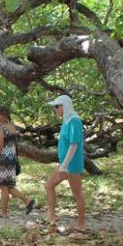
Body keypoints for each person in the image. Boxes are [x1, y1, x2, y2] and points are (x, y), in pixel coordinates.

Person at [44, 95, 86, 231]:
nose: (55, 109)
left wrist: (64, 166)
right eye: (54, 107)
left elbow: (74, 145)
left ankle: (81, 224)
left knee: (77, 192)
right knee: (49, 186)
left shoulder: (74, 121)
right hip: (64, 163)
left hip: (71, 165)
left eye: (57, 106)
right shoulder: (67, 121)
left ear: (64, 106)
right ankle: (51, 216)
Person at [0, 105, 35, 218]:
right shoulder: (12, 126)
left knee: (4, 188)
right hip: (12, 159)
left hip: (3, 160)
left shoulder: (1, 128)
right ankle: (27, 201)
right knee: (8, 186)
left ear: (3, 115)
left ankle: (4, 213)